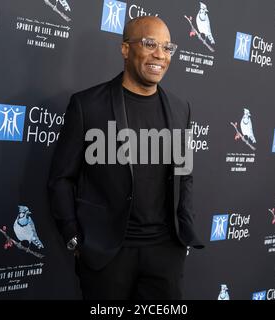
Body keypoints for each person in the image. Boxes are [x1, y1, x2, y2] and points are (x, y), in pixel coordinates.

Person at [48, 16, 203, 300]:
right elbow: (61, 179)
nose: (160, 54)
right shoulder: (87, 105)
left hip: (165, 254)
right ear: (125, 49)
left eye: (167, 47)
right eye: (149, 44)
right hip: (107, 255)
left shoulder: (181, 109)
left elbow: (185, 174)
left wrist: (184, 233)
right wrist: (73, 237)